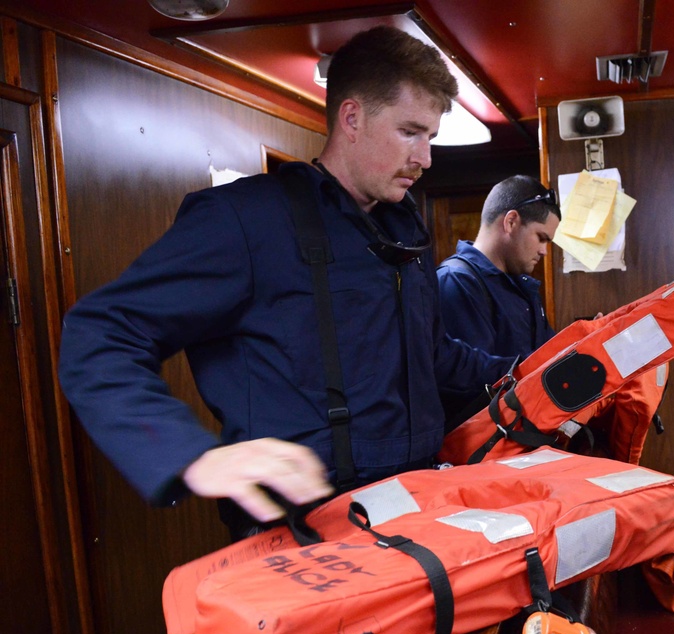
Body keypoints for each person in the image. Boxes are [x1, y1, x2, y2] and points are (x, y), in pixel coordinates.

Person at [57, 25, 513, 538]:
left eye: (430, 137)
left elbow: (433, 355)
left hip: (415, 506)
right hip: (304, 532)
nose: (425, 158)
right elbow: (99, 334)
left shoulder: (402, 232)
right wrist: (190, 455)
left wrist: (527, 370)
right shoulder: (245, 220)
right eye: (410, 132)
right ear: (352, 117)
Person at [437, 175, 560, 360]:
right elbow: (469, 377)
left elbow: (547, 359)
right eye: (541, 238)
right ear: (511, 222)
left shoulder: (522, 287)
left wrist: (585, 340)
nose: (544, 251)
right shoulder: (457, 281)